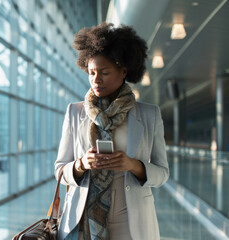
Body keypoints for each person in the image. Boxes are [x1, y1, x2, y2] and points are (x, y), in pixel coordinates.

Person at [54, 22, 169, 240]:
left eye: (104, 72)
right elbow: (59, 170)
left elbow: (163, 173)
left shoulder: (149, 115)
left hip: (132, 220)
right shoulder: (75, 112)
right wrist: (81, 164)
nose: (96, 80)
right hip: (82, 218)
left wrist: (133, 166)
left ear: (123, 71)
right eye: (91, 72)